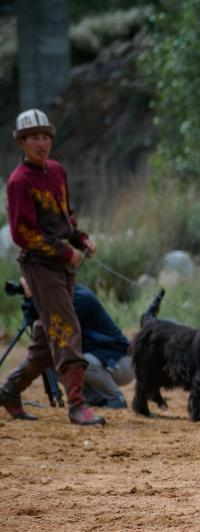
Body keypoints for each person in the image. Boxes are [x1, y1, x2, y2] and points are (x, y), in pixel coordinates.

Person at [0, 109, 105, 425]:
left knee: (49, 338)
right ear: (21, 142)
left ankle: (9, 390)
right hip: (39, 265)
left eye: (45, 136)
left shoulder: (57, 171)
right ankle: (77, 404)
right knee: (67, 328)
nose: (41, 143)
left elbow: (65, 216)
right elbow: (23, 234)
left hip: (62, 265)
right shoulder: (19, 181)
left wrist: (81, 239)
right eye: (34, 137)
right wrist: (64, 252)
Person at [17, 277, 132, 408]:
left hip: (120, 362)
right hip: (100, 359)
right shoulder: (62, 299)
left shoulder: (81, 298)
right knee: (53, 360)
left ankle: (115, 398)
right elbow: (38, 321)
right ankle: (95, 399)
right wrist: (32, 299)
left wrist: (33, 298)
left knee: (74, 361)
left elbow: (51, 322)